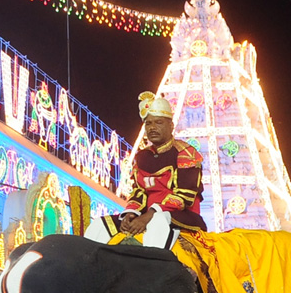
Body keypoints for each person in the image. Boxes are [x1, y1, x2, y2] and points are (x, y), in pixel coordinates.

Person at [84, 91, 205, 247]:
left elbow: (185, 196)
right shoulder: (142, 156)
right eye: (148, 123)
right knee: (100, 225)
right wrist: (130, 214)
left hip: (180, 216)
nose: (152, 128)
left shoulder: (186, 153)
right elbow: (138, 191)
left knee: (159, 221)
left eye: (158, 122)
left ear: (171, 125)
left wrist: (150, 215)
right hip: (145, 213)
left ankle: (156, 267)